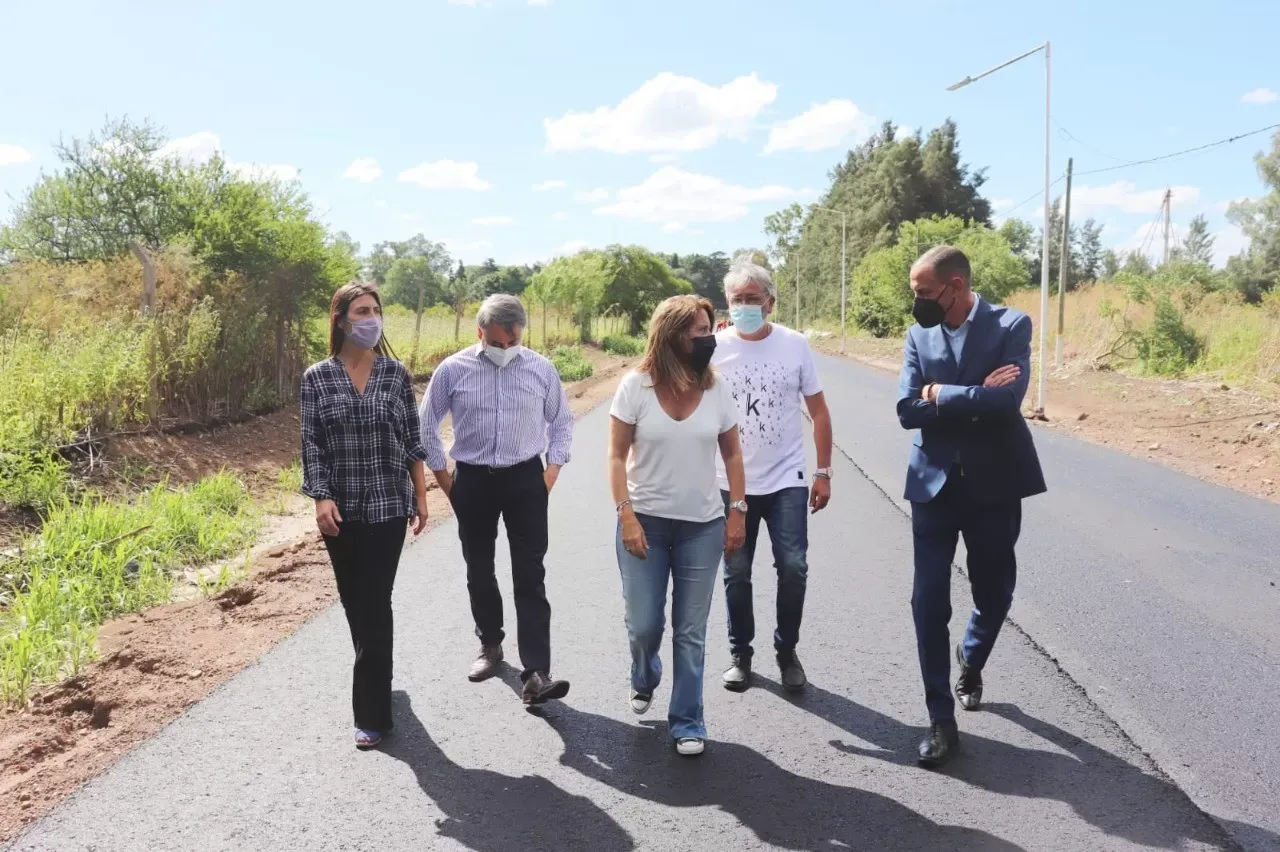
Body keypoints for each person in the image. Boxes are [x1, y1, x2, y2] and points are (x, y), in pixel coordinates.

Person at [896, 245, 1046, 768]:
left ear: (955, 287)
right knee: (927, 602)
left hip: (994, 485)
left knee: (995, 590)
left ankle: (971, 657)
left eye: (923, 293)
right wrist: (966, 395)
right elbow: (906, 409)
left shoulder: (1010, 325)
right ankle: (941, 721)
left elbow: (1008, 401)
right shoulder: (919, 335)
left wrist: (940, 393)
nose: (917, 303)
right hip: (933, 487)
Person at [607, 294, 748, 757]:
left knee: (690, 630)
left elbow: (731, 453)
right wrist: (625, 513)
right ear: (672, 337)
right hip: (644, 523)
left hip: (701, 526)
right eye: (700, 332)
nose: (709, 338)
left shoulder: (716, 388)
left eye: (709, 329)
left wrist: (737, 510)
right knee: (644, 625)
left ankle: (688, 719)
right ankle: (643, 674)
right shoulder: (636, 387)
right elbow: (615, 455)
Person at [420, 294, 573, 707]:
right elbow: (425, 426)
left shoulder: (541, 369)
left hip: (526, 478)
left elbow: (561, 423)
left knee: (530, 573)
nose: (506, 350)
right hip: (471, 478)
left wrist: (550, 474)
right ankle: (490, 645)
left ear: (522, 334)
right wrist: (444, 481)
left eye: (513, 342)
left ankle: (537, 672)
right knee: (480, 568)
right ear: (480, 333)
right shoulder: (453, 370)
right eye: (497, 342)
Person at [300, 281, 430, 750]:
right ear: (340, 320)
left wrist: (421, 495)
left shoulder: (395, 375)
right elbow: (311, 444)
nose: (371, 318)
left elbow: (413, 440)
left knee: (375, 602)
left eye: (375, 309)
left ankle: (372, 715)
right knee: (356, 603)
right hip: (340, 510)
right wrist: (320, 496)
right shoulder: (317, 378)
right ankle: (378, 674)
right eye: (361, 311)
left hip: (388, 506)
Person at [713, 261, 833, 694]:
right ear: (727, 303)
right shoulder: (712, 346)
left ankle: (787, 650)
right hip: (730, 480)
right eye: (737, 300)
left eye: (752, 299)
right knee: (736, 570)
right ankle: (740, 653)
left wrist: (822, 472)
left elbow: (818, 411)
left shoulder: (794, 345)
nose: (745, 306)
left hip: (787, 477)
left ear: (770, 302)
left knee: (794, 566)